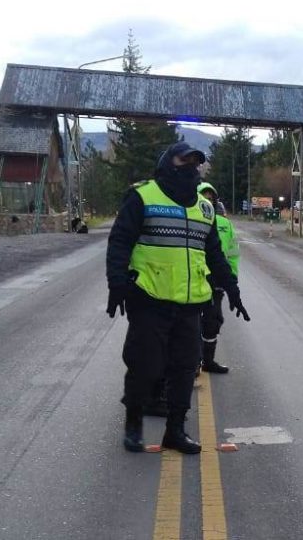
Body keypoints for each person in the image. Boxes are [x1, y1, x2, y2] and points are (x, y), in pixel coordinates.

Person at [106, 141, 251, 454]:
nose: (191, 168)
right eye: (184, 161)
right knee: (146, 367)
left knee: (185, 369)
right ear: (167, 163)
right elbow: (119, 242)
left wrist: (233, 290)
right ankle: (133, 424)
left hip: (190, 305)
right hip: (149, 300)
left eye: (196, 164)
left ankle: (175, 430)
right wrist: (117, 284)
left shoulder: (205, 209)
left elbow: (214, 255)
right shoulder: (143, 196)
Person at [195, 182, 239, 374]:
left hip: (218, 281)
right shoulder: (191, 218)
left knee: (213, 321)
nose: (208, 200)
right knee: (192, 322)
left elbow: (233, 253)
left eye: (211, 197)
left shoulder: (225, 224)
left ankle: (208, 361)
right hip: (195, 280)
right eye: (204, 196)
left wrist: (232, 277)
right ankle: (193, 362)